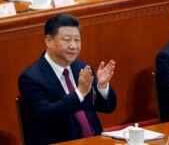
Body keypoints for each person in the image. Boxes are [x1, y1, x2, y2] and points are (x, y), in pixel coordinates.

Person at [18, 14, 117, 145]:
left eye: (77, 40)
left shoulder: (81, 67)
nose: (73, 46)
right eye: (67, 40)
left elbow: (108, 108)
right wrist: (79, 93)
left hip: (95, 140)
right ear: (49, 41)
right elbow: (47, 114)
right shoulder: (31, 78)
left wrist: (102, 87)